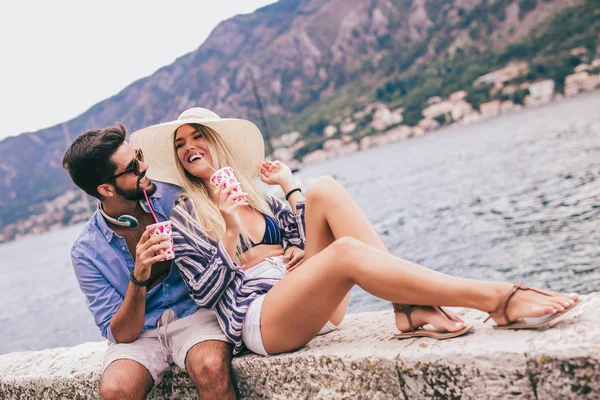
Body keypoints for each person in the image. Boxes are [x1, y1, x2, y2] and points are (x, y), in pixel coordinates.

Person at [131, 108, 579, 357]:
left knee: (324, 189)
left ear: (217, 142)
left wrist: (290, 188)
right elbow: (207, 294)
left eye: (197, 137)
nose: (189, 147)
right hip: (261, 321)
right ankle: (497, 299)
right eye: (180, 144)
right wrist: (230, 234)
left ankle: (407, 307)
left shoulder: (257, 196)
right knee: (346, 252)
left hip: (307, 300)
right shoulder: (186, 214)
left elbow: (301, 246)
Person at [62, 125, 237, 399]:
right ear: (106, 188)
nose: (144, 166)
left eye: (139, 155)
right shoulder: (86, 252)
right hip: (140, 333)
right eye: (132, 166)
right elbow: (121, 333)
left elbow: (234, 223)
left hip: (194, 311)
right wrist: (139, 275)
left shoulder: (173, 196)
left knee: (211, 366)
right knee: (116, 389)